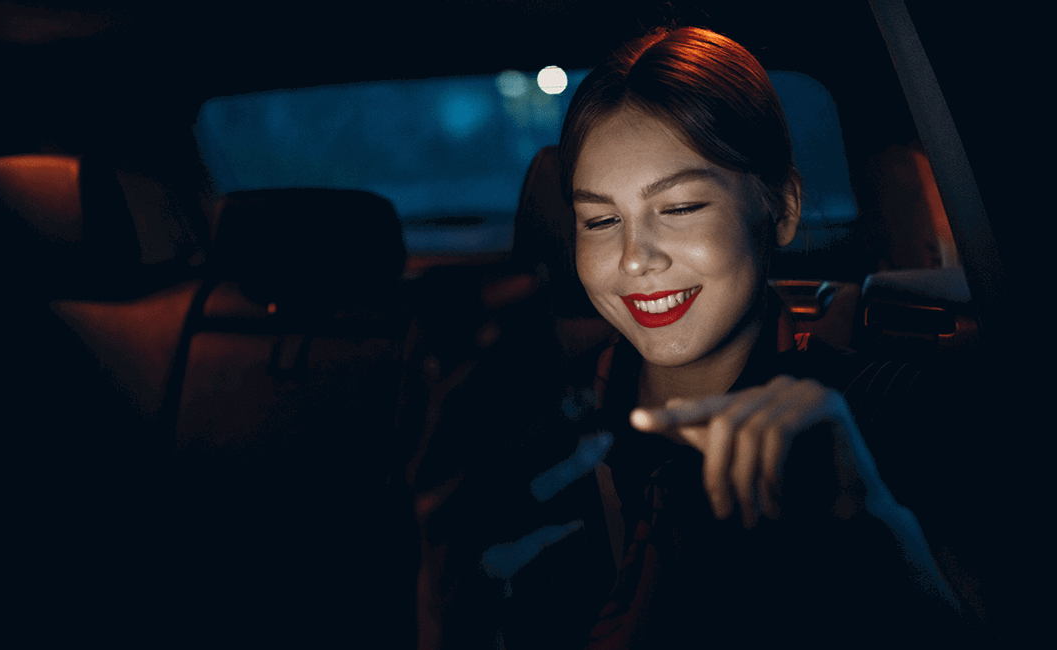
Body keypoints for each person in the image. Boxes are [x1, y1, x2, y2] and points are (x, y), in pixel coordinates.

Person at [414, 26, 979, 648]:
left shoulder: (889, 416)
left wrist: (874, 526)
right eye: (600, 221)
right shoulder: (524, 435)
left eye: (680, 208)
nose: (635, 258)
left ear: (782, 207)